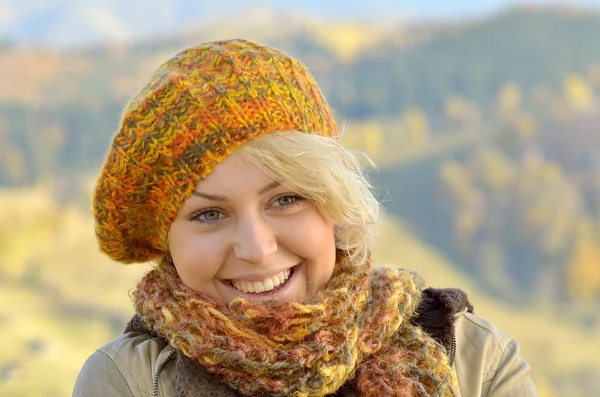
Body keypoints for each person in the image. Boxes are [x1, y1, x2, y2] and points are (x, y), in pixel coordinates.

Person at [73, 39, 538, 397]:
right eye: (209, 213)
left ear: (334, 203)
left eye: (286, 200)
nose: (256, 249)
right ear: (166, 241)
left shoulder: (476, 361)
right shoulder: (130, 381)